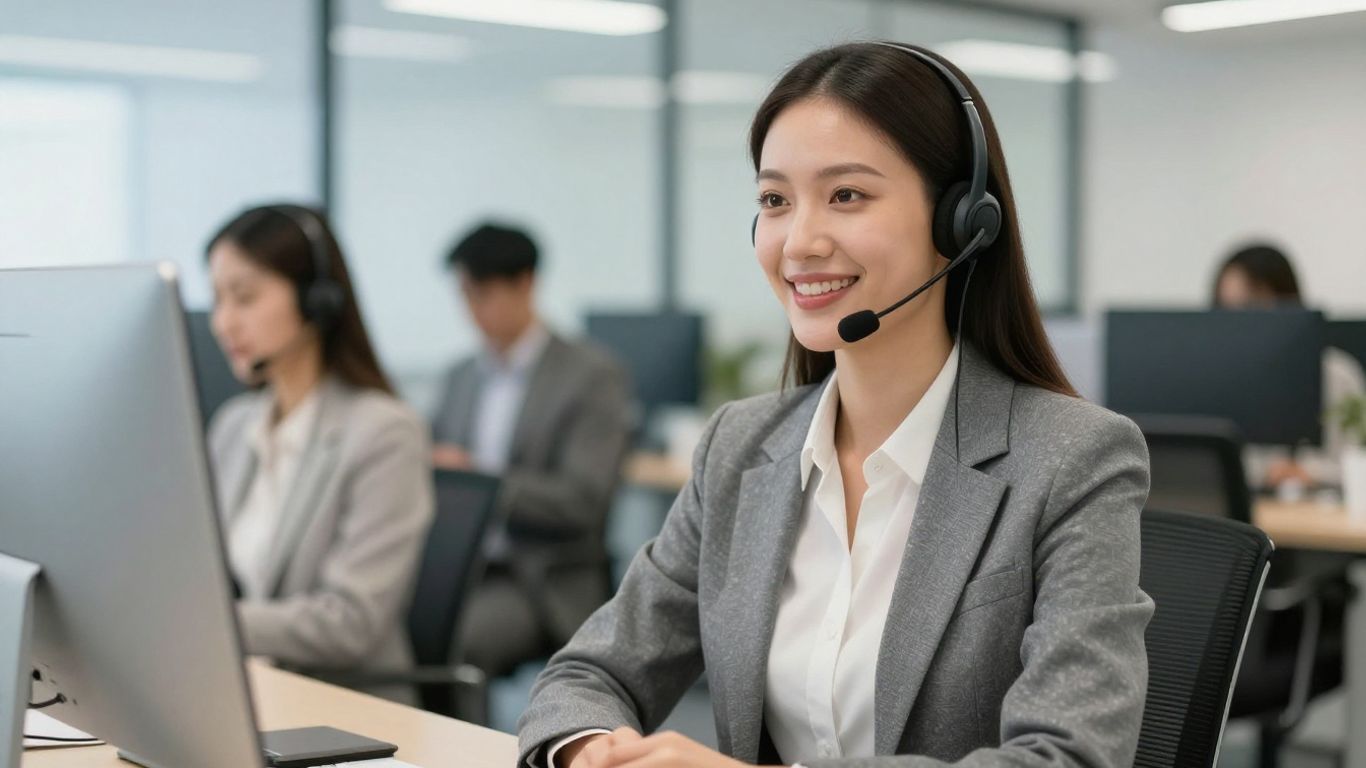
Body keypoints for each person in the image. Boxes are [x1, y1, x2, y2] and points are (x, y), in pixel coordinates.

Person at [518, 42, 1153, 768]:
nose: (799, 242)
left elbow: (1068, 758)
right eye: (774, 200)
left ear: (961, 223)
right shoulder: (739, 449)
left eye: (847, 195)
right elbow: (586, 673)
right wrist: (591, 752)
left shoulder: (1075, 460)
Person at [206, 203, 433, 702]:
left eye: (244, 297)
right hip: (247, 691)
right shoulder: (233, 426)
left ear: (317, 299)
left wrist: (204, 623)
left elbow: (351, 622)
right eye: (217, 299)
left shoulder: (384, 432)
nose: (223, 322)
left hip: (343, 708)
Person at [431, 222, 633, 680]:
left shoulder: (591, 376)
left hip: (541, 577)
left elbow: (583, 501)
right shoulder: (460, 377)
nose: (471, 310)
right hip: (462, 568)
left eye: (481, 293)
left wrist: (479, 483)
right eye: (464, 295)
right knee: (383, 627)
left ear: (525, 283)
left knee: (458, 638)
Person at [1213, 242, 1366, 487]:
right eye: (1227, 310)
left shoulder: (1336, 373)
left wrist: (1308, 472)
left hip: (1313, 518)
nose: (1240, 323)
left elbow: (1356, 464)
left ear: (1289, 301)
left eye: (1252, 306)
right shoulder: (1216, 379)